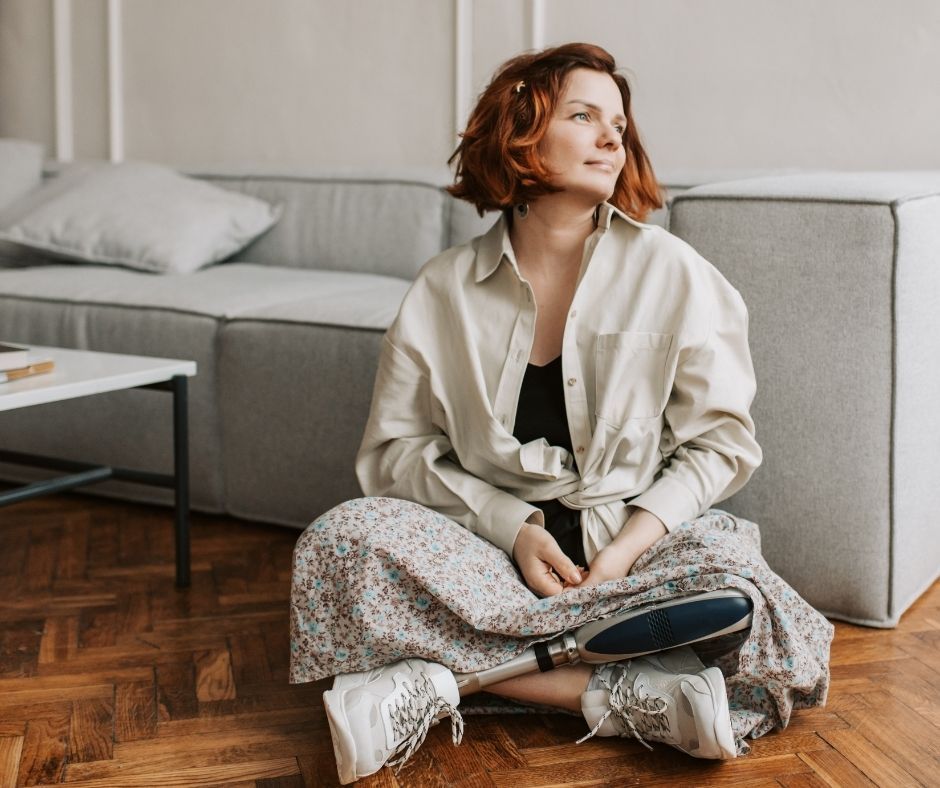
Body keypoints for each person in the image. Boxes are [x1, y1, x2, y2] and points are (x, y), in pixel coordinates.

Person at [289, 43, 833, 785]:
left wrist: (624, 552)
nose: (612, 138)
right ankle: (620, 693)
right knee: (340, 541)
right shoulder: (442, 289)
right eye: (584, 117)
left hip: (633, 554)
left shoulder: (674, 272)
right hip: (485, 557)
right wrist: (513, 529)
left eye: (619, 125)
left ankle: (441, 678)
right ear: (521, 131)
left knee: (745, 591)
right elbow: (395, 452)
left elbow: (720, 444)